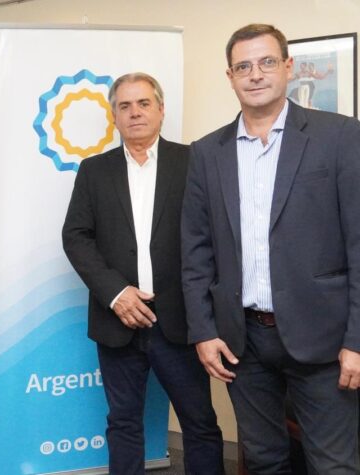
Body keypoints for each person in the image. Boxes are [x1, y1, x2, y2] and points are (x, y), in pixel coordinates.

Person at [182, 23, 360, 474]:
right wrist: (203, 331)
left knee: (334, 465)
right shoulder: (207, 152)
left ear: (287, 67)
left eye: (266, 62)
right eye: (243, 66)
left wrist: (357, 341)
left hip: (323, 338)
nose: (255, 74)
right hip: (242, 340)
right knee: (263, 461)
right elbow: (196, 251)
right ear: (230, 76)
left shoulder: (340, 136)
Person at [62, 72, 224, 475]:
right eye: (125, 106)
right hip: (117, 322)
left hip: (180, 323)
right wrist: (116, 293)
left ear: (161, 109)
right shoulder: (94, 170)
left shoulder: (193, 161)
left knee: (200, 424)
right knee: (123, 423)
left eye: (144, 103)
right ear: (114, 116)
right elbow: (75, 236)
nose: (135, 113)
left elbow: (214, 235)